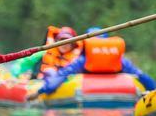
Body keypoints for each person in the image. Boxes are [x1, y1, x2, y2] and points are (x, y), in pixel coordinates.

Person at [28, 34, 156, 100]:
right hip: (122, 95)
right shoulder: (120, 61)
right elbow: (141, 76)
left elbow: (61, 76)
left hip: (86, 96)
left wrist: (40, 92)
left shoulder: (82, 61)